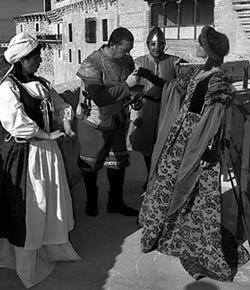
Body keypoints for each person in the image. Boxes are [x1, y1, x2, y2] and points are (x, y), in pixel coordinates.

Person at [138, 26, 250, 281]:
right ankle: (168, 231)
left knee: (195, 194)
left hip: (198, 144)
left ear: (208, 49)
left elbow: (214, 119)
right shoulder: (200, 72)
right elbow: (175, 88)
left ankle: (196, 245)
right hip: (181, 136)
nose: (196, 46)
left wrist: (199, 151)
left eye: (200, 43)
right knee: (167, 183)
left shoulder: (218, 81)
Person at [0, 33, 80, 288]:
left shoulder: (41, 84)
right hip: (24, 155)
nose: (39, 60)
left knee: (48, 203)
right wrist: (47, 135)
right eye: (36, 56)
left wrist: (66, 125)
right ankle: (25, 264)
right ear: (23, 60)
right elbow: (15, 123)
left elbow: (60, 106)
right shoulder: (8, 88)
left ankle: (50, 249)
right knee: (29, 208)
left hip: (46, 154)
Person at [76, 27, 140, 217]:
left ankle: (116, 202)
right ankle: (91, 202)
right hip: (93, 122)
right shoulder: (92, 64)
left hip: (117, 118)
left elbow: (132, 85)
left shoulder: (125, 60)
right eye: (125, 49)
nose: (128, 54)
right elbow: (100, 98)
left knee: (118, 163)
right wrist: (127, 86)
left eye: (130, 50)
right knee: (90, 165)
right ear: (112, 45)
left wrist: (135, 96)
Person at [127, 26, 182, 190]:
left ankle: (161, 178)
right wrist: (133, 100)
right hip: (146, 105)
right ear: (147, 45)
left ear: (164, 45)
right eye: (153, 44)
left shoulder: (175, 62)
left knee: (165, 143)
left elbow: (176, 86)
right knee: (146, 145)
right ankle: (150, 177)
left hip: (168, 106)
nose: (156, 48)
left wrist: (149, 76)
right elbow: (130, 86)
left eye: (160, 45)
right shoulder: (138, 62)